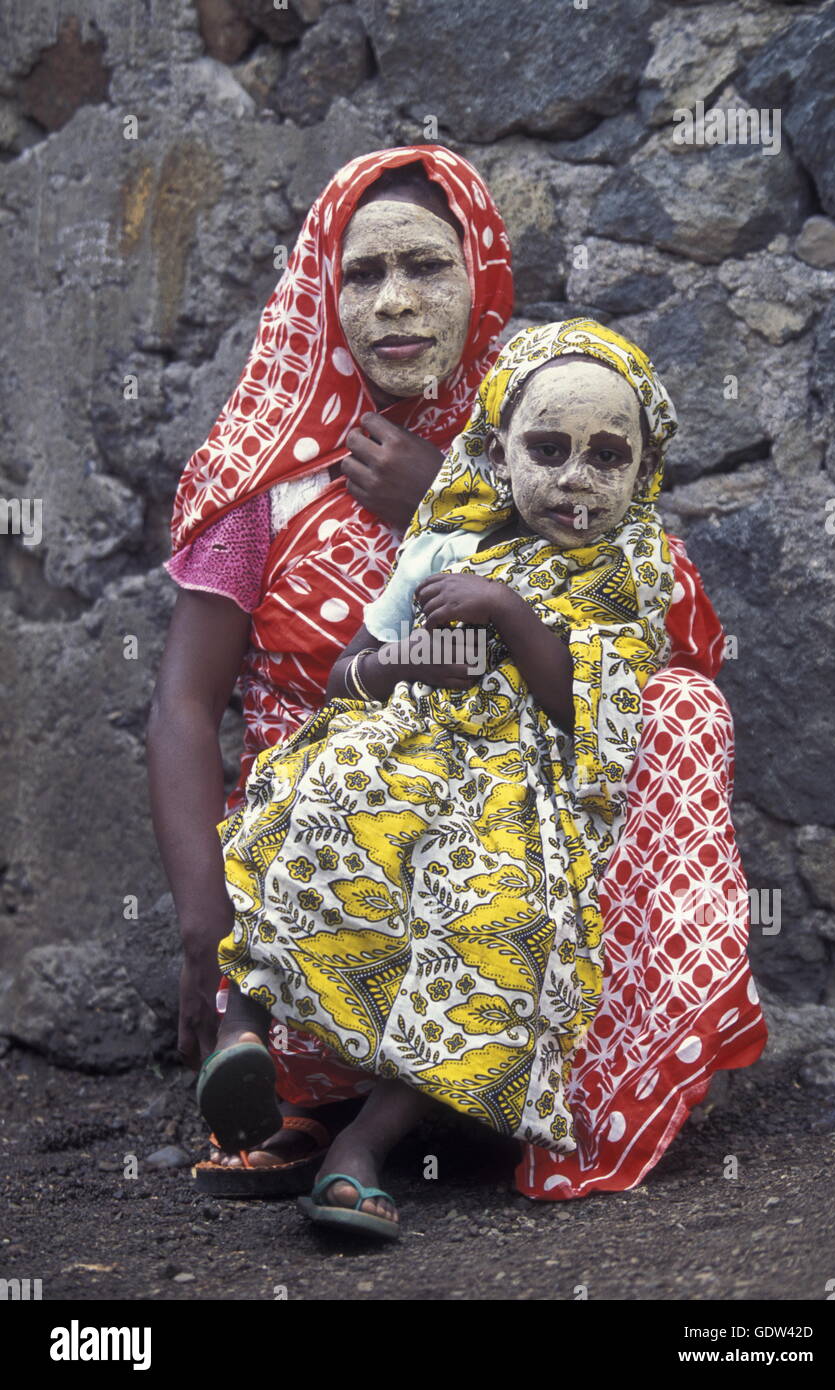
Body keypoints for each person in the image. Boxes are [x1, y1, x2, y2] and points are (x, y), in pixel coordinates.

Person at [196, 319, 768, 1239]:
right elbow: (347, 673)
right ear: (497, 452)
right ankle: (242, 1041)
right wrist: (406, 665)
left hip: (521, 791)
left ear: (641, 473)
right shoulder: (441, 545)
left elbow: (590, 710)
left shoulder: (629, 571)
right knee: (319, 805)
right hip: (405, 753)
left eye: (605, 457)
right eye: (547, 448)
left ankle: (359, 1153)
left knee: (495, 923)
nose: (575, 479)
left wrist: (506, 615)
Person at [147, 146, 514, 1186]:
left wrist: (448, 498)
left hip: (499, 799)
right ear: (323, 288)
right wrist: (198, 930)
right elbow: (182, 705)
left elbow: (637, 613)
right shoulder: (265, 481)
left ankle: (474, 1094)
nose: (395, 302)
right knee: (341, 797)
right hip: (317, 814)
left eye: (427, 268)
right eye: (362, 274)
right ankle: (304, 1078)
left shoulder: (540, 441)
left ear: (480, 276)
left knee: (666, 714)